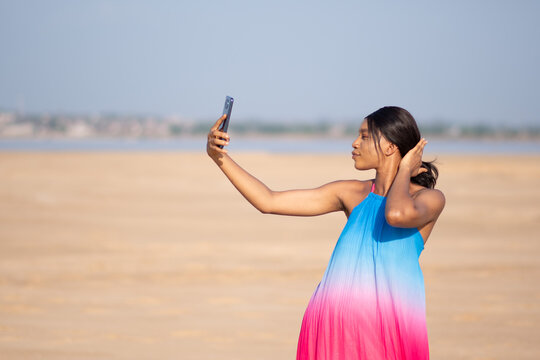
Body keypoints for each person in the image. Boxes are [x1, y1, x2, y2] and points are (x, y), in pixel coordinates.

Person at [206, 106, 446, 360]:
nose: (354, 143)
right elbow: (268, 201)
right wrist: (218, 157)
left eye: (365, 136)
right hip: (331, 329)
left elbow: (395, 214)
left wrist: (405, 170)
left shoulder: (429, 199)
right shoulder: (351, 193)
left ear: (390, 147)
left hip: (386, 333)